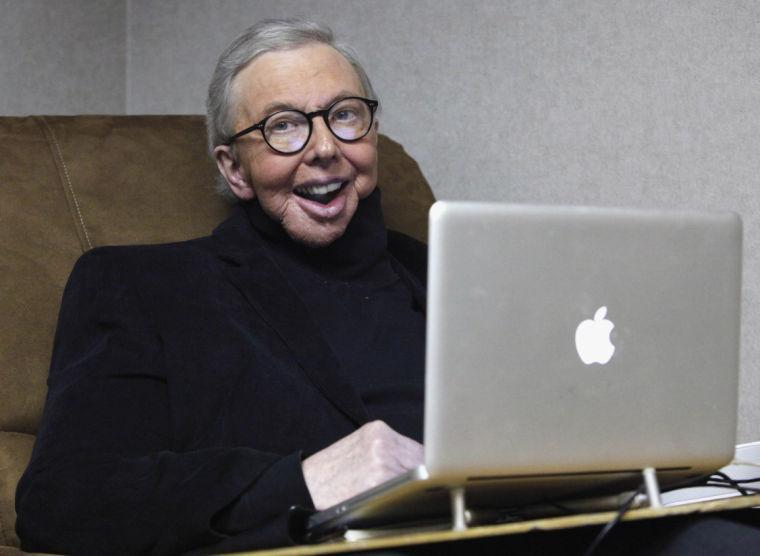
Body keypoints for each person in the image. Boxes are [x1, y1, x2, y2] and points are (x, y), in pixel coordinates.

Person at [16, 19, 426, 555]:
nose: (325, 147)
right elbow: (63, 499)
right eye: (284, 126)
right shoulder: (143, 288)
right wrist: (301, 482)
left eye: (345, 114)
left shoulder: (448, 268)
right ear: (235, 169)